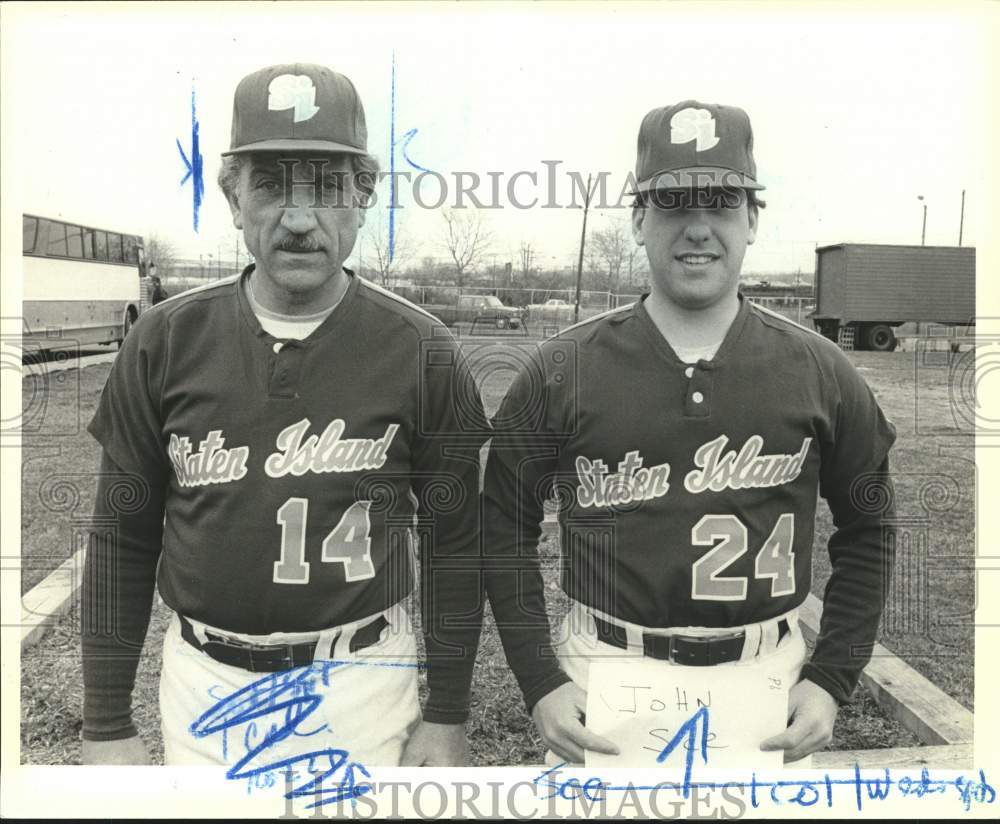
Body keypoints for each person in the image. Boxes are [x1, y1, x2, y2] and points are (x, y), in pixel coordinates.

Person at [81, 63, 488, 771]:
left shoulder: (424, 349)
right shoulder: (164, 338)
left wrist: (447, 712)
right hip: (205, 684)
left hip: (363, 682)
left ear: (364, 198)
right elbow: (122, 537)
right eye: (270, 184)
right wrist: (106, 721)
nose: (299, 219)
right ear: (232, 197)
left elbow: (454, 545)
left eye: (328, 186)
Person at [484, 100, 896, 767]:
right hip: (606, 675)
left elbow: (869, 528)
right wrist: (541, 680)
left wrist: (830, 678)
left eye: (722, 203)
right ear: (640, 218)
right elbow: (501, 524)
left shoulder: (821, 369)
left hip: (768, 680)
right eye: (675, 204)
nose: (698, 229)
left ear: (753, 219)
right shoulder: (562, 368)